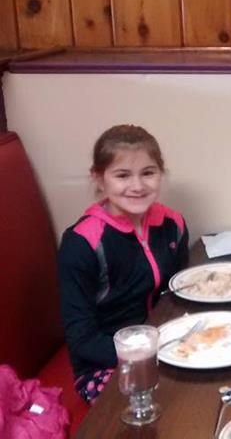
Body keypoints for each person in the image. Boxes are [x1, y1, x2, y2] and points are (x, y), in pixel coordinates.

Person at [57, 125, 189, 404]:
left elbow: (178, 297)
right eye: (122, 175)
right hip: (104, 365)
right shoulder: (81, 243)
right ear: (99, 179)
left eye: (148, 173)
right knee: (175, 406)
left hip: (167, 350)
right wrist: (149, 355)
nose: (137, 186)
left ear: (160, 173)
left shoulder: (173, 224)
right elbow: (82, 340)